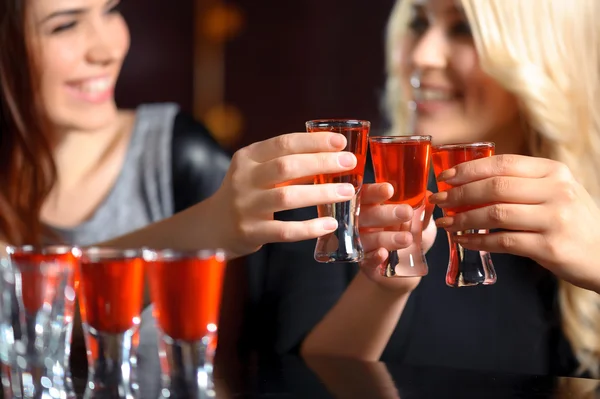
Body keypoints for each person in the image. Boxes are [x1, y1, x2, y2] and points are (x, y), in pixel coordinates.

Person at [0, 0, 421, 382]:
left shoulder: (181, 157)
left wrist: (384, 287)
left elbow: (281, 369)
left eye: (110, 9)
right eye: (65, 25)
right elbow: (18, 323)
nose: (107, 47)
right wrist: (205, 226)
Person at [234, 0, 600, 379]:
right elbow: (294, 383)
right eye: (418, 22)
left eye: (463, 29)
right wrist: (382, 291)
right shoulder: (333, 189)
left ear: (548, 53)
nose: (422, 56)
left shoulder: (586, 206)